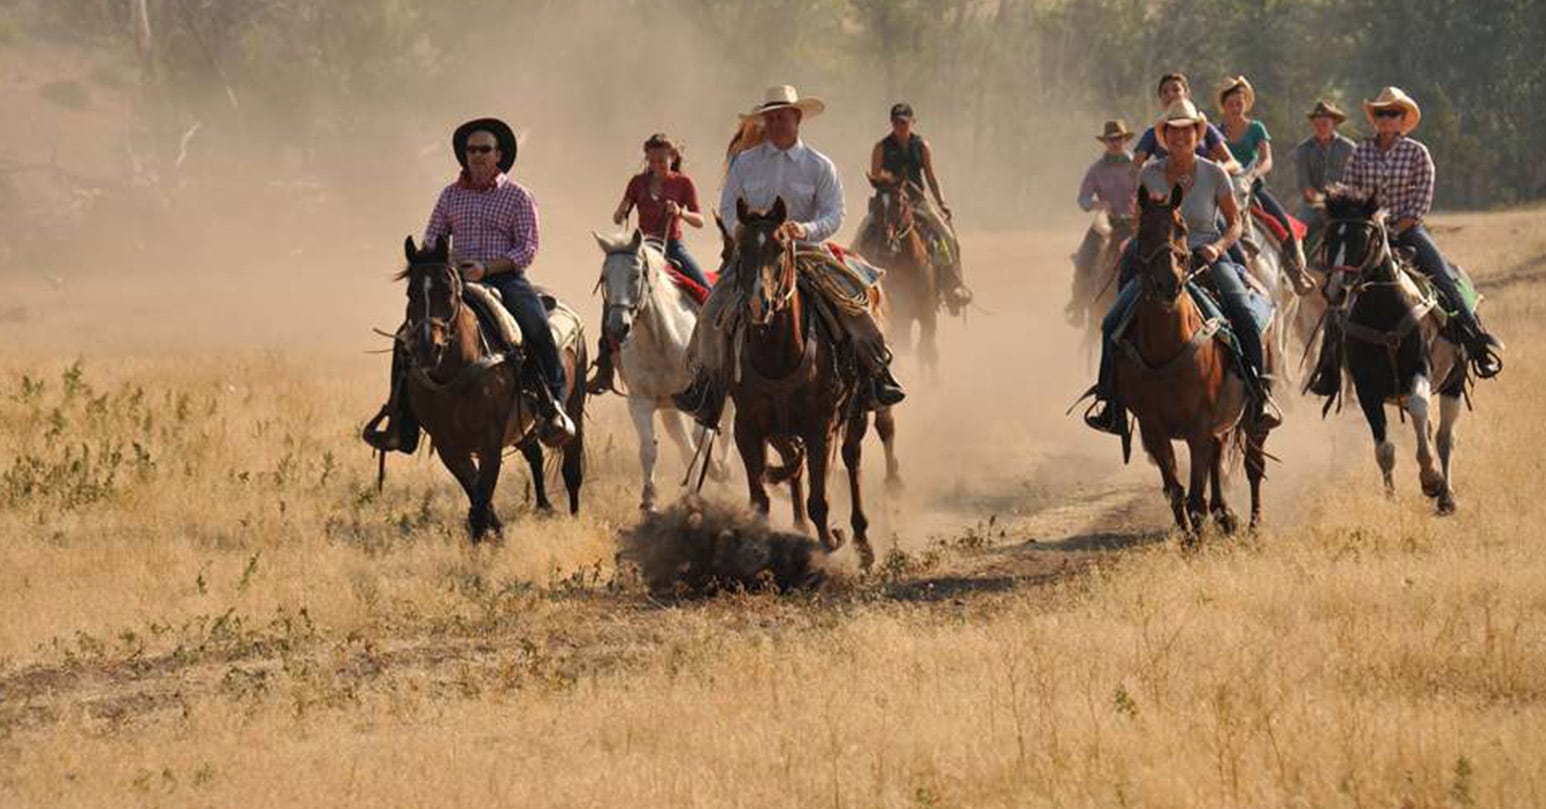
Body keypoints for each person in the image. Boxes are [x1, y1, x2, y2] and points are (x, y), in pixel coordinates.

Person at [674, 85, 906, 426]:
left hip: (807, 252)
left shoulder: (819, 165)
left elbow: (835, 213)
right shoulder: (745, 163)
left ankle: (876, 377)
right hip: (756, 255)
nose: (777, 123)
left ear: (797, 119)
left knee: (855, 306)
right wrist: (747, 235)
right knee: (710, 314)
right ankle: (705, 390)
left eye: (783, 117)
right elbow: (728, 208)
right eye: (771, 118)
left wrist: (805, 230)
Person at [363, 117, 575, 453]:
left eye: (484, 149)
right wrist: (438, 263)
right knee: (406, 337)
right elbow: (433, 237)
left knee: (537, 329)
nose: (477, 155)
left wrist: (486, 268)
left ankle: (554, 409)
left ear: (499, 155)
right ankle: (400, 422)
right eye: (471, 150)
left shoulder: (518, 196)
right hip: (455, 279)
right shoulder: (450, 195)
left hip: (505, 278)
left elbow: (527, 248)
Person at [1085, 99, 1279, 434]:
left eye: (1186, 130)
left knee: (1243, 312)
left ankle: (1259, 396)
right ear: (1164, 136)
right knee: (1113, 321)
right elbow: (1139, 220)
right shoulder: (1150, 174)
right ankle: (1111, 402)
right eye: (1173, 131)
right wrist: (1148, 240)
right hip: (1161, 258)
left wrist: (1218, 247)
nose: (1180, 137)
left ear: (1196, 133)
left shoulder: (1215, 173)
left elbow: (1234, 223)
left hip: (1205, 251)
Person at [1312, 86, 1502, 389]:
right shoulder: (1361, 152)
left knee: (1444, 279)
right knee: (1338, 287)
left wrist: (1393, 231)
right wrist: (1366, 229)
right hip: (1367, 235)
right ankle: (1329, 366)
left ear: (1403, 120)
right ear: (1375, 118)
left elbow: (1420, 203)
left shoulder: (1417, 153)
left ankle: (1477, 346)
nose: (1386, 118)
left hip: (1408, 231)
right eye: (1381, 113)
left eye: (1393, 113)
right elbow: (1349, 193)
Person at [589, 133, 708, 394]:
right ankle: (605, 367)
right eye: (652, 160)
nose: (656, 165)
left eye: (661, 160)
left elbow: (700, 220)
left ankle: (712, 361)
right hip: (640, 250)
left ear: (672, 157)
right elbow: (620, 211)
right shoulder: (637, 183)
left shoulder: (683, 183)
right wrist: (620, 213)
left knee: (706, 293)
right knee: (613, 301)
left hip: (673, 246)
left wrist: (680, 212)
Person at [867, 102, 972, 312]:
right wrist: (889, 182)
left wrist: (941, 203)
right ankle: (859, 284)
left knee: (947, 235)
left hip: (917, 202)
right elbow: (875, 178)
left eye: (904, 122)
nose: (900, 126)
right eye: (896, 122)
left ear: (912, 122)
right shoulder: (881, 147)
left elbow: (930, 176)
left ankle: (954, 286)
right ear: (891, 123)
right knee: (862, 235)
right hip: (889, 203)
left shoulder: (921, 146)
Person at [1215, 75, 1312, 287]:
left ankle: (1296, 272)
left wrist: (1254, 175)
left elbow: (1267, 160)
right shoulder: (1216, 132)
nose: (1235, 108)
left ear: (1245, 104)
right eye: (1231, 104)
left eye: (1239, 103)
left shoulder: (1256, 128)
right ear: (1223, 107)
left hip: (1252, 188)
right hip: (1223, 189)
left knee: (1282, 223)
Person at [1067, 119, 1139, 324]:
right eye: (1111, 139)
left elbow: (1146, 191)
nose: (1115, 143)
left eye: (1119, 139)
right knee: (1084, 257)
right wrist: (1097, 204)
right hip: (1106, 224)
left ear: (1125, 140)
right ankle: (1078, 304)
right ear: (1105, 142)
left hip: (1133, 223)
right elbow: (1083, 199)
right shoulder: (1096, 169)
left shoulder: (1136, 166)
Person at [1133, 73, 1241, 172]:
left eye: (1176, 89)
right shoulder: (1153, 134)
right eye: (1165, 92)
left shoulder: (1205, 129)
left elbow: (1232, 163)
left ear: (1186, 94)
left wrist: (1217, 171)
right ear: (1160, 98)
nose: (1170, 94)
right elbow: (1135, 167)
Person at [1292, 100, 1357, 245]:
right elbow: (1305, 186)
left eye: (1325, 124)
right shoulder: (1303, 150)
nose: (1320, 128)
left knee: (1358, 233)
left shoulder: (1349, 148)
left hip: (1343, 206)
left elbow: (1354, 183)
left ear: (1334, 124)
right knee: (1295, 234)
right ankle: (1294, 258)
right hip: (1313, 206)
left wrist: (1337, 203)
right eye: (1316, 124)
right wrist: (1323, 202)